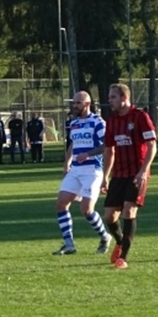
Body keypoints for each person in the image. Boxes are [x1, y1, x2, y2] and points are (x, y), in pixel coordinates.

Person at [102, 83, 157, 269]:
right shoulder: (111, 121)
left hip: (136, 173)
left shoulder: (140, 117)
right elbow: (109, 150)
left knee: (128, 211)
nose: (109, 101)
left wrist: (143, 171)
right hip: (119, 173)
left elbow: (152, 145)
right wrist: (104, 176)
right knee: (109, 216)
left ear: (124, 98)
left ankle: (123, 258)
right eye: (109, 98)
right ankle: (119, 242)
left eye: (113, 97)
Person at [52, 91, 112, 256]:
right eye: (74, 103)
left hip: (92, 170)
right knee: (61, 203)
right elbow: (72, 144)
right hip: (76, 170)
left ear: (87, 104)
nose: (74, 106)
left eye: (78, 103)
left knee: (86, 209)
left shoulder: (98, 122)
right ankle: (69, 244)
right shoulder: (74, 123)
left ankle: (104, 236)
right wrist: (67, 163)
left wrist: (88, 154)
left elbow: (107, 145)